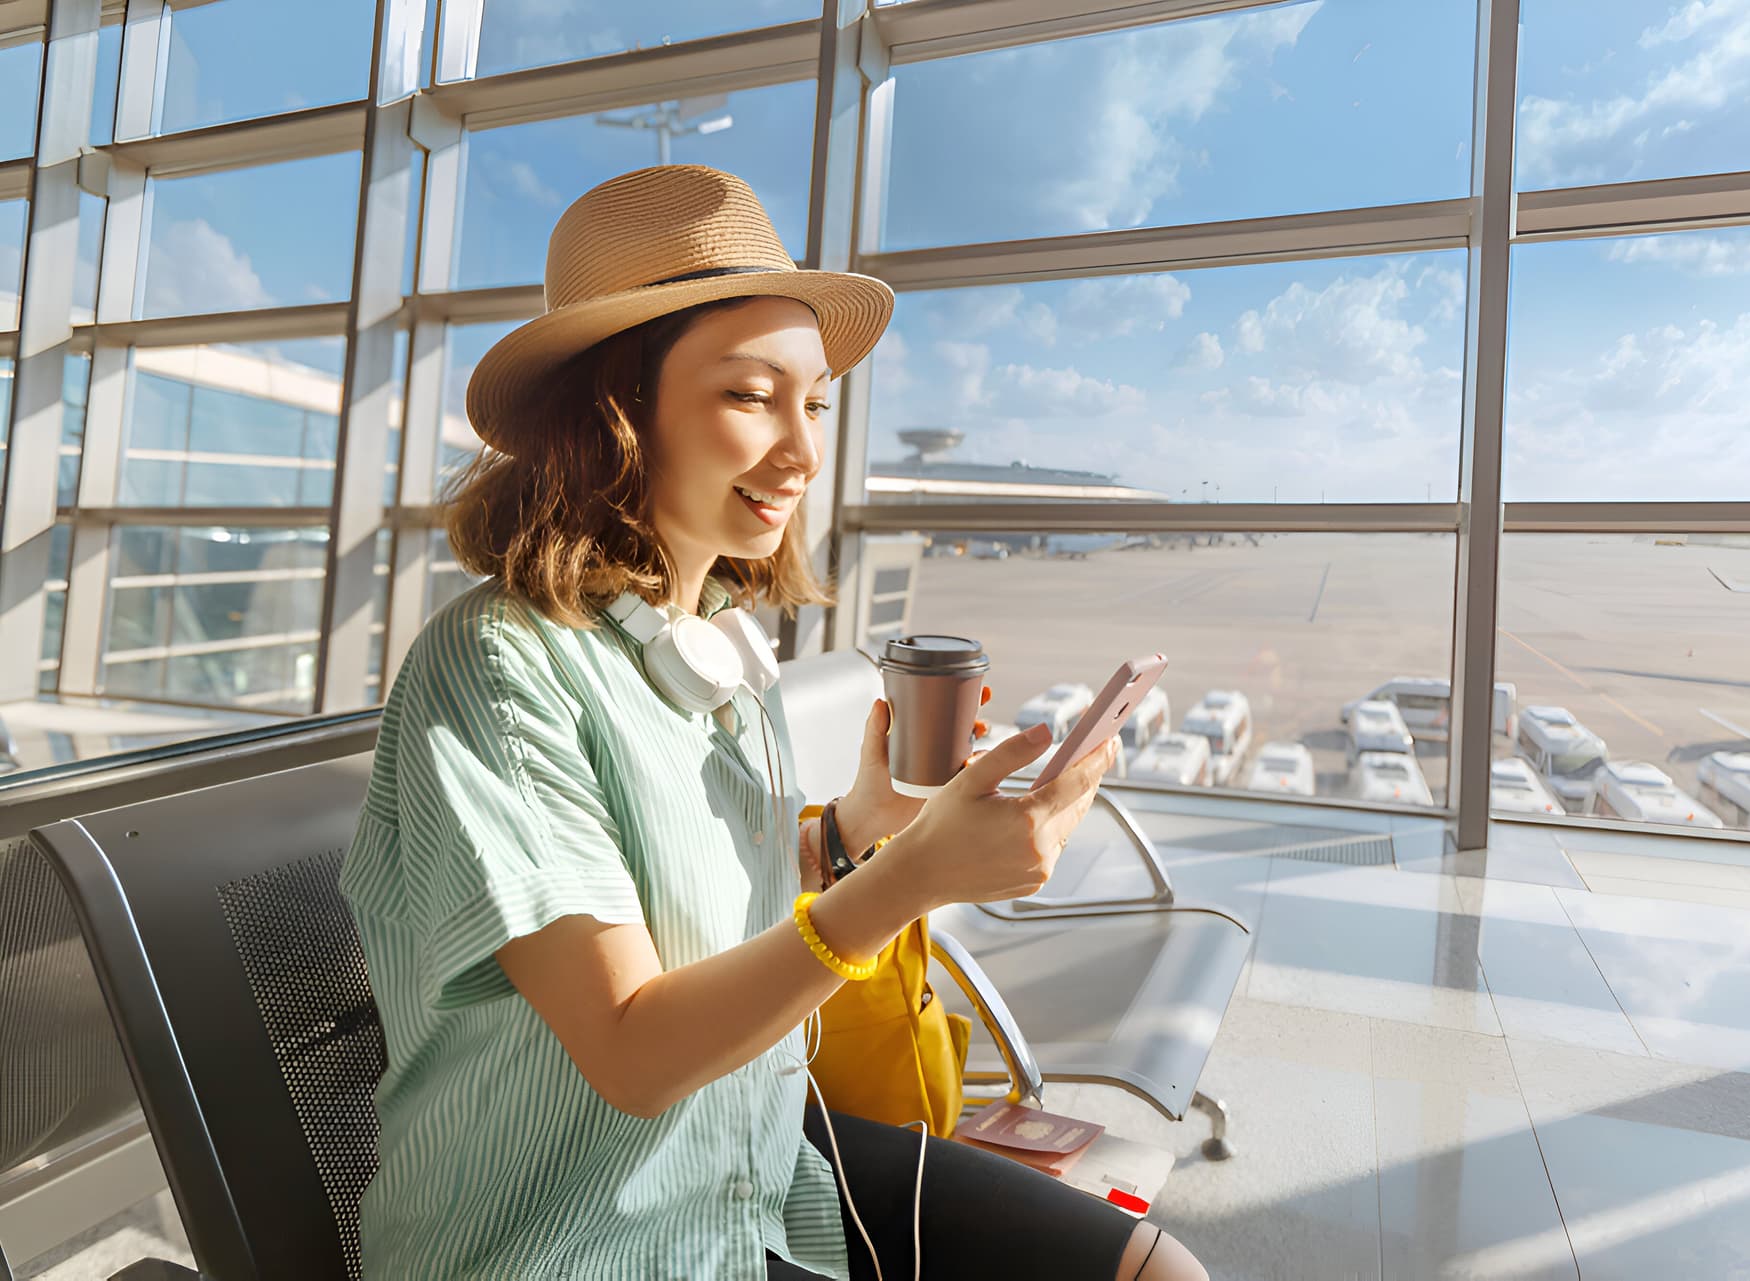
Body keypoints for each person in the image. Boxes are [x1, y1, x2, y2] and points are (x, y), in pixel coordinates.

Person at [340, 166, 1208, 1281]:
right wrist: (910, 880)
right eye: (752, 397)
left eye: (814, 403)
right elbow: (629, 1052)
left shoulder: (712, 641)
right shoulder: (497, 668)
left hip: (749, 1176)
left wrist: (856, 830)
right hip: (581, 1243)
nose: (802, 453)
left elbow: (675, 899)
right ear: (613, 414)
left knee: (1159, 1270)